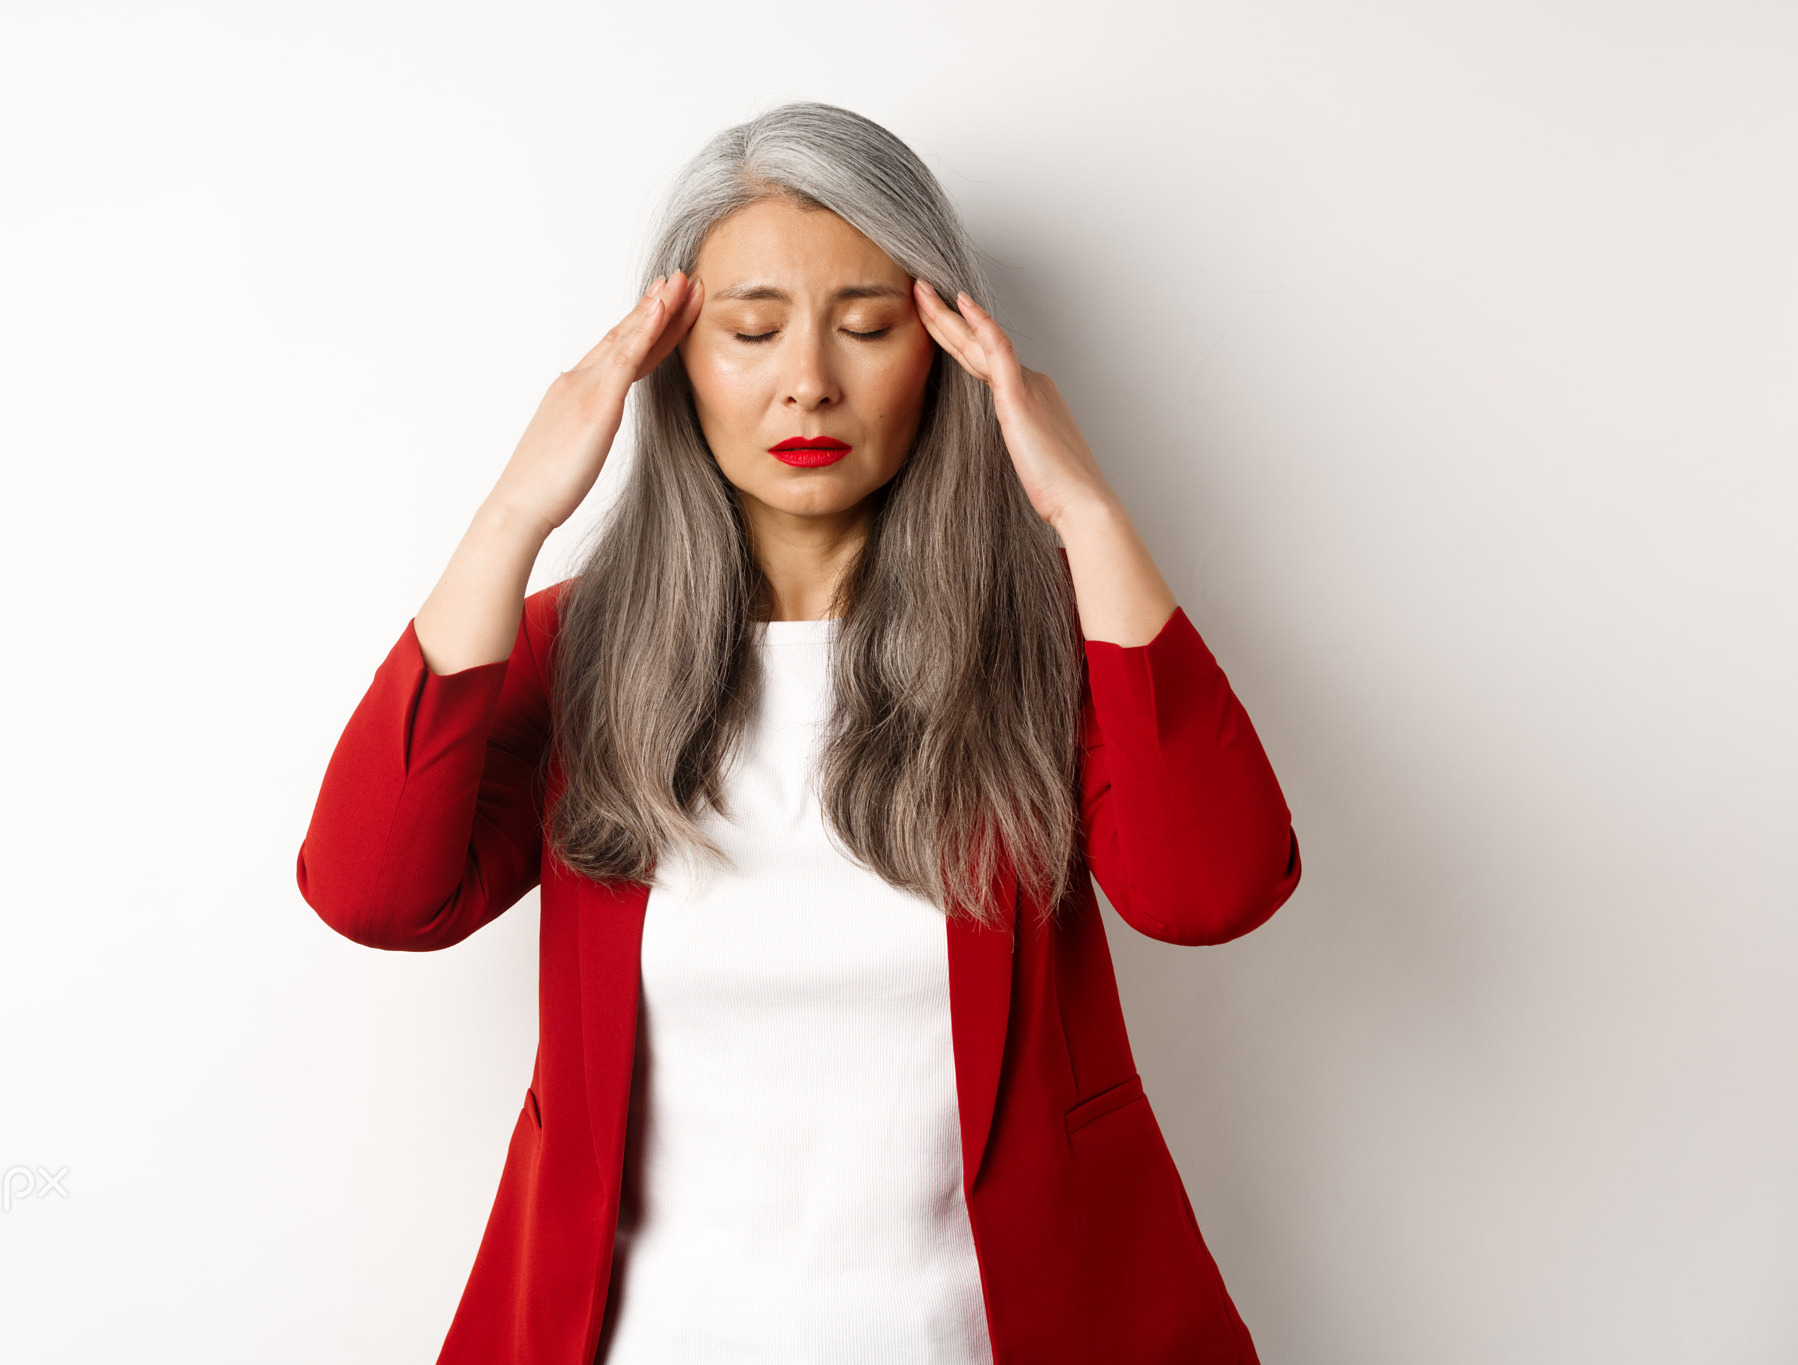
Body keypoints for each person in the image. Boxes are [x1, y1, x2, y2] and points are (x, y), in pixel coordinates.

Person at [297, 102, 1302, 1365]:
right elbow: (375, 893)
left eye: (868, 324)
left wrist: (1083, 509)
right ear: (673, 360)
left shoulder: (1050, 641)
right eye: (752, 329)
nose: (807, 380)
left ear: (943, 346)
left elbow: (1210, 889)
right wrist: (516, 511)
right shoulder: (578, 654)